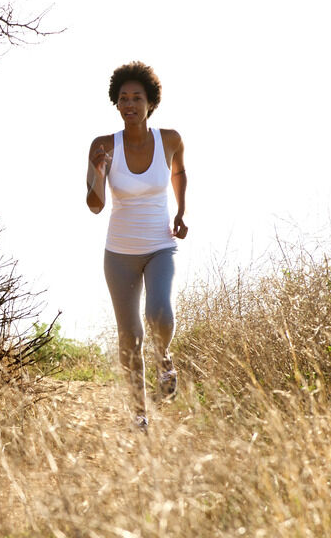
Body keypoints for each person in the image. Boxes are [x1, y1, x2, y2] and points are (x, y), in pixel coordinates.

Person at [85, 61, 188, 431]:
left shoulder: (170, 139)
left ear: (150, 102)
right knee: (130, 337)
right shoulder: (102, 145)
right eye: (123, 98)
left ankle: (165, 359)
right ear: (116, 103)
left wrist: (181, 212)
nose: (130, 104)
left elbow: (178, 172)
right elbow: (95, 205)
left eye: (137, 98)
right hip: (119, 254)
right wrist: (99, 173)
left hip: (160, 245)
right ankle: (139, 416)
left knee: (159, 314)